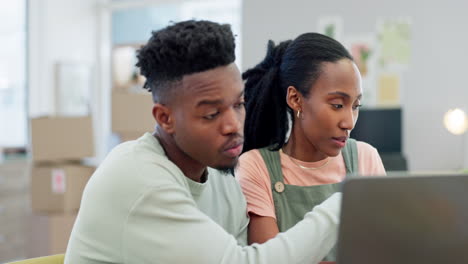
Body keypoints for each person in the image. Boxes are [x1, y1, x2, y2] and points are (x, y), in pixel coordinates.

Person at [64, 20, 341, 264]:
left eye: (239, 104)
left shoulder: (221, 178)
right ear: (165, 118)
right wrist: (342, 205)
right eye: (211, 114)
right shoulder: (139, 181)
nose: (233, 124)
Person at [236, 33, 386, 261]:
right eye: (337, 105)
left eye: (355, 106)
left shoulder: (366, 157)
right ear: (295, 99)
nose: (349, 122)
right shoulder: (256, 167)